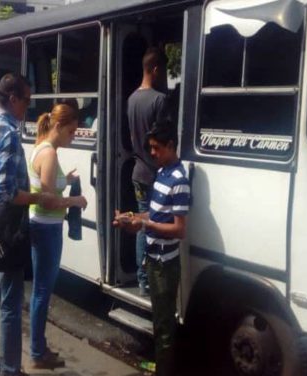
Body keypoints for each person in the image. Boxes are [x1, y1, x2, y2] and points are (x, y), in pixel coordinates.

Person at [0, 73, 56, 376]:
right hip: (8, 228)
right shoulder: (8, 132)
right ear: (13, 99)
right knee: (10, 301)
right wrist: (41, 196)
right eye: (26, 100)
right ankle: (10, 369)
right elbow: (7, 192)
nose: (28, 106)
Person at [113, 122, 189, 376]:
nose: (152, 153)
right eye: (150, 148)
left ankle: (164, 371)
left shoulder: (178, 180)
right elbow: (153, 214)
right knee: (159, 319)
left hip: (165, 265)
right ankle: (161, 364)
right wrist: (131, 216)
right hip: (154, 258)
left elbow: (179, 230)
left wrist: (145, 224)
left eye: (157, 148)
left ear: (170, 146)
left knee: (165, 324)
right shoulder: (162, 175)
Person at [28, 103, 88, 369]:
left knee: (41, 290)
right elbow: (49, 201)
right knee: (43, 291)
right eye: (72, 131)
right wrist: (74, 200)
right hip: (47, 228)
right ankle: (38, 352)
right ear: (60, 127)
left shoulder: (40, 147)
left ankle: (38, 348)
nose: (73, 137)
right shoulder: (50, 153)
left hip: (40, 226)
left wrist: (67, 178)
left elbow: (49, 186)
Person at [127, 47, 167, 296]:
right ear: (154, 69)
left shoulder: (132, 99)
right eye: (162, 70)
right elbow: (162, 141)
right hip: (154, 173)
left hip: (137, 172)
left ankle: (142, 279)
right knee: (155, 225)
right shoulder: (159, 100)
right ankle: (149, 278)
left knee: (143, 223)